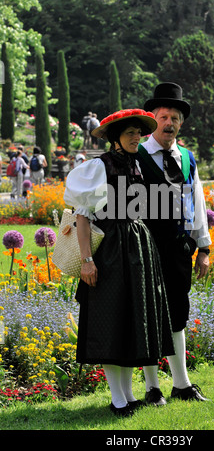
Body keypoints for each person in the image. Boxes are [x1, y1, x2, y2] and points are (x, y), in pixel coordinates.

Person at [64, 108, 175, 417]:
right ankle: (117, 399)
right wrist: (87, 260)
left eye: (138, 133)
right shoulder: (98, 167)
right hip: (111, 249)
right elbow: (82, 218)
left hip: (137, 248)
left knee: (128, 321)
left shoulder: (135, 164)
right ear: (115, 138)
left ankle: (127, 395)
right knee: (112, 321)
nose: (136, 137)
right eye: (129, 133)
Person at [137, 82, 211, 405]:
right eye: (164, 116)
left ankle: (181, 384)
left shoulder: (187, 159)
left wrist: (204, 248)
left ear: (181, 123)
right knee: (148, 314)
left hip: (180, 250)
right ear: (153, 119)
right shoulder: (135, 156)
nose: (169, 123)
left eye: (175, 118)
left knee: (178, 313)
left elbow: (197, 203)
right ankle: (152, 388)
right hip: (145, 250)